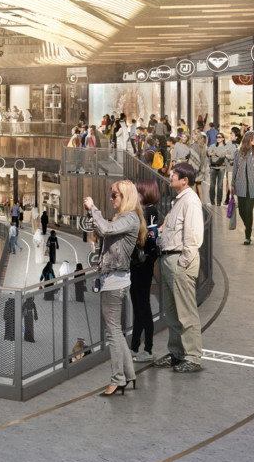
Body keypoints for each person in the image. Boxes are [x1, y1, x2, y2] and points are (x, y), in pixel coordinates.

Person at [85, 179, 141, 396]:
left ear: (125, 197)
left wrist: (94, 209)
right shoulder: (127, 218)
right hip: (117, 279)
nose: (111, 198)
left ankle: (118, 378)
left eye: (114, 195)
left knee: (113, 332)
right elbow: (105, 231)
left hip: (114, 281)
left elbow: (106, 230)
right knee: (116, 331)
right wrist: (94, 216)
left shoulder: (129, 218)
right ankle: (129, 374)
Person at [153, 162, 207, 373]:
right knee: (172, 312)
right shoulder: (180, 201)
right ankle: (177, 353)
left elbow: (193, 238)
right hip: (170, 260)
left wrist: (183, 263)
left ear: (185, 180)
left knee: (185, 312)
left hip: (179, 262)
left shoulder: (190, 202)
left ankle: (192, 357)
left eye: (174, 173)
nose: (170, 175)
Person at [129, 178, 162, 362]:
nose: (135, 195)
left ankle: (147, 349)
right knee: (138, 306)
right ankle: (134, 346)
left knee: (143, 307)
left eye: (138, 192)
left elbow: (150, 237)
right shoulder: (141, 211)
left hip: (144, 265)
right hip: (137, 265)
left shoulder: (150, 211)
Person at [231, 131, 254, 245]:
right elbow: (235, 169)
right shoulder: (238, 152)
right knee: (242, 212)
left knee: (249, 211)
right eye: (253, 138)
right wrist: (232, 184)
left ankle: (247, 235)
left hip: (253, 186)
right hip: (240, 186)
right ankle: (248, 226)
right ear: (248, 139)